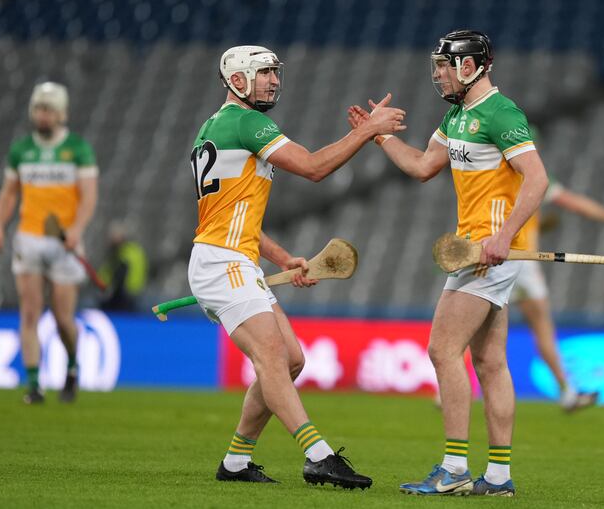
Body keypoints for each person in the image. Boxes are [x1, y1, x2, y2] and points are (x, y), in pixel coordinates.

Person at [187, 45, 405, 488]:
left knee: (289, 361)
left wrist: (283, 257)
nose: (273, 81)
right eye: (264, 73)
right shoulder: (247, 121)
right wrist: (369, 133)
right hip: (223, 262)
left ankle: (235, 462)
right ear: (238, 79)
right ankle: (318, 456)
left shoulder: (214, 126)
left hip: (231, 257)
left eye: (274, 73)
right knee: (271, 358)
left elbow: (233, 217)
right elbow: (312, 167)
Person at [349, 29, 547, 496]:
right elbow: (422, 167)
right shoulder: (458, 114)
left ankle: (455, 468)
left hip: (487, 252)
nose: (437, 74)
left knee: (442, 350)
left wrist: (502, 236)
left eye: (444, 65)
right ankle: (497, 477)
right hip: (474, 251)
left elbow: (536, 179)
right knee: (491, 362)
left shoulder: (501, 112)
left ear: (469, 65)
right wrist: (376, 137)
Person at [0, 82, 99, 404]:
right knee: (29, 314)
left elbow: (89, 196)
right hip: (29, 237)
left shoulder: (78, 149)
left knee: (63, 318)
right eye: (38, 109)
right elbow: (9, 193)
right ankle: (34, 385)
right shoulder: (21, 149)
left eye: (49, 110)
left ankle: (73, 366)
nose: (43, 115)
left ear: (61, 114)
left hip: (64, 241)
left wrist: (78, 229)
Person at [513, 180, 604, 411]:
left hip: (492, 255)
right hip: (522, 262)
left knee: (480, 322)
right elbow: (574, 203)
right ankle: (567, 392)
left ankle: (446, 388)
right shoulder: (529, 171)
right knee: (542, 326)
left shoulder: (488, 168)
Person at [98, 221, 148, 312]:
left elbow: (120, 276)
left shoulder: (123, 252)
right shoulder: (133, 249)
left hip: (125, 295)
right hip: (134, 292)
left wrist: (110, 292)